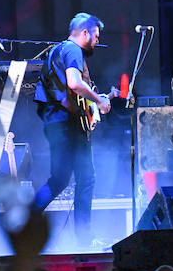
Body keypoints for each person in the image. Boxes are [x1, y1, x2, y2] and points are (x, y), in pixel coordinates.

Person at [31, 13, 114, 243]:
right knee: (86, 178)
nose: (97, 41)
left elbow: (66, 93)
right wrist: (99, 100)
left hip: (56, 124)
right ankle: (84, 238)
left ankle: (26, 222)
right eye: (96, 36)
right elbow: (74, 84)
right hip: (67, 126)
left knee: (59, 180)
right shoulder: (72, 50)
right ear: (85, 32)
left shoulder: (57, 51)